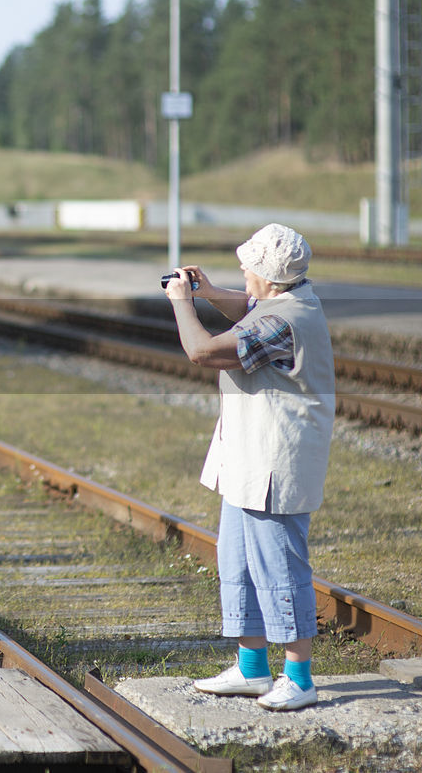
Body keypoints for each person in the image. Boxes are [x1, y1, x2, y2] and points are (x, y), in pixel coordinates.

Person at [163, 223, 335, 712]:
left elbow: (202, 351)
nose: (242, 272)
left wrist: (184, 302)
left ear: (268, 276)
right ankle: (252, 669)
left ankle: (298, 678)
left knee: (279, 568)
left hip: (274, 465)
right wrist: (212, 291)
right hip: (249, 459)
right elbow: (252, 307)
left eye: (247, 268)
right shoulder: (291, 301)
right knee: (238, 564)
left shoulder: (282, 323)